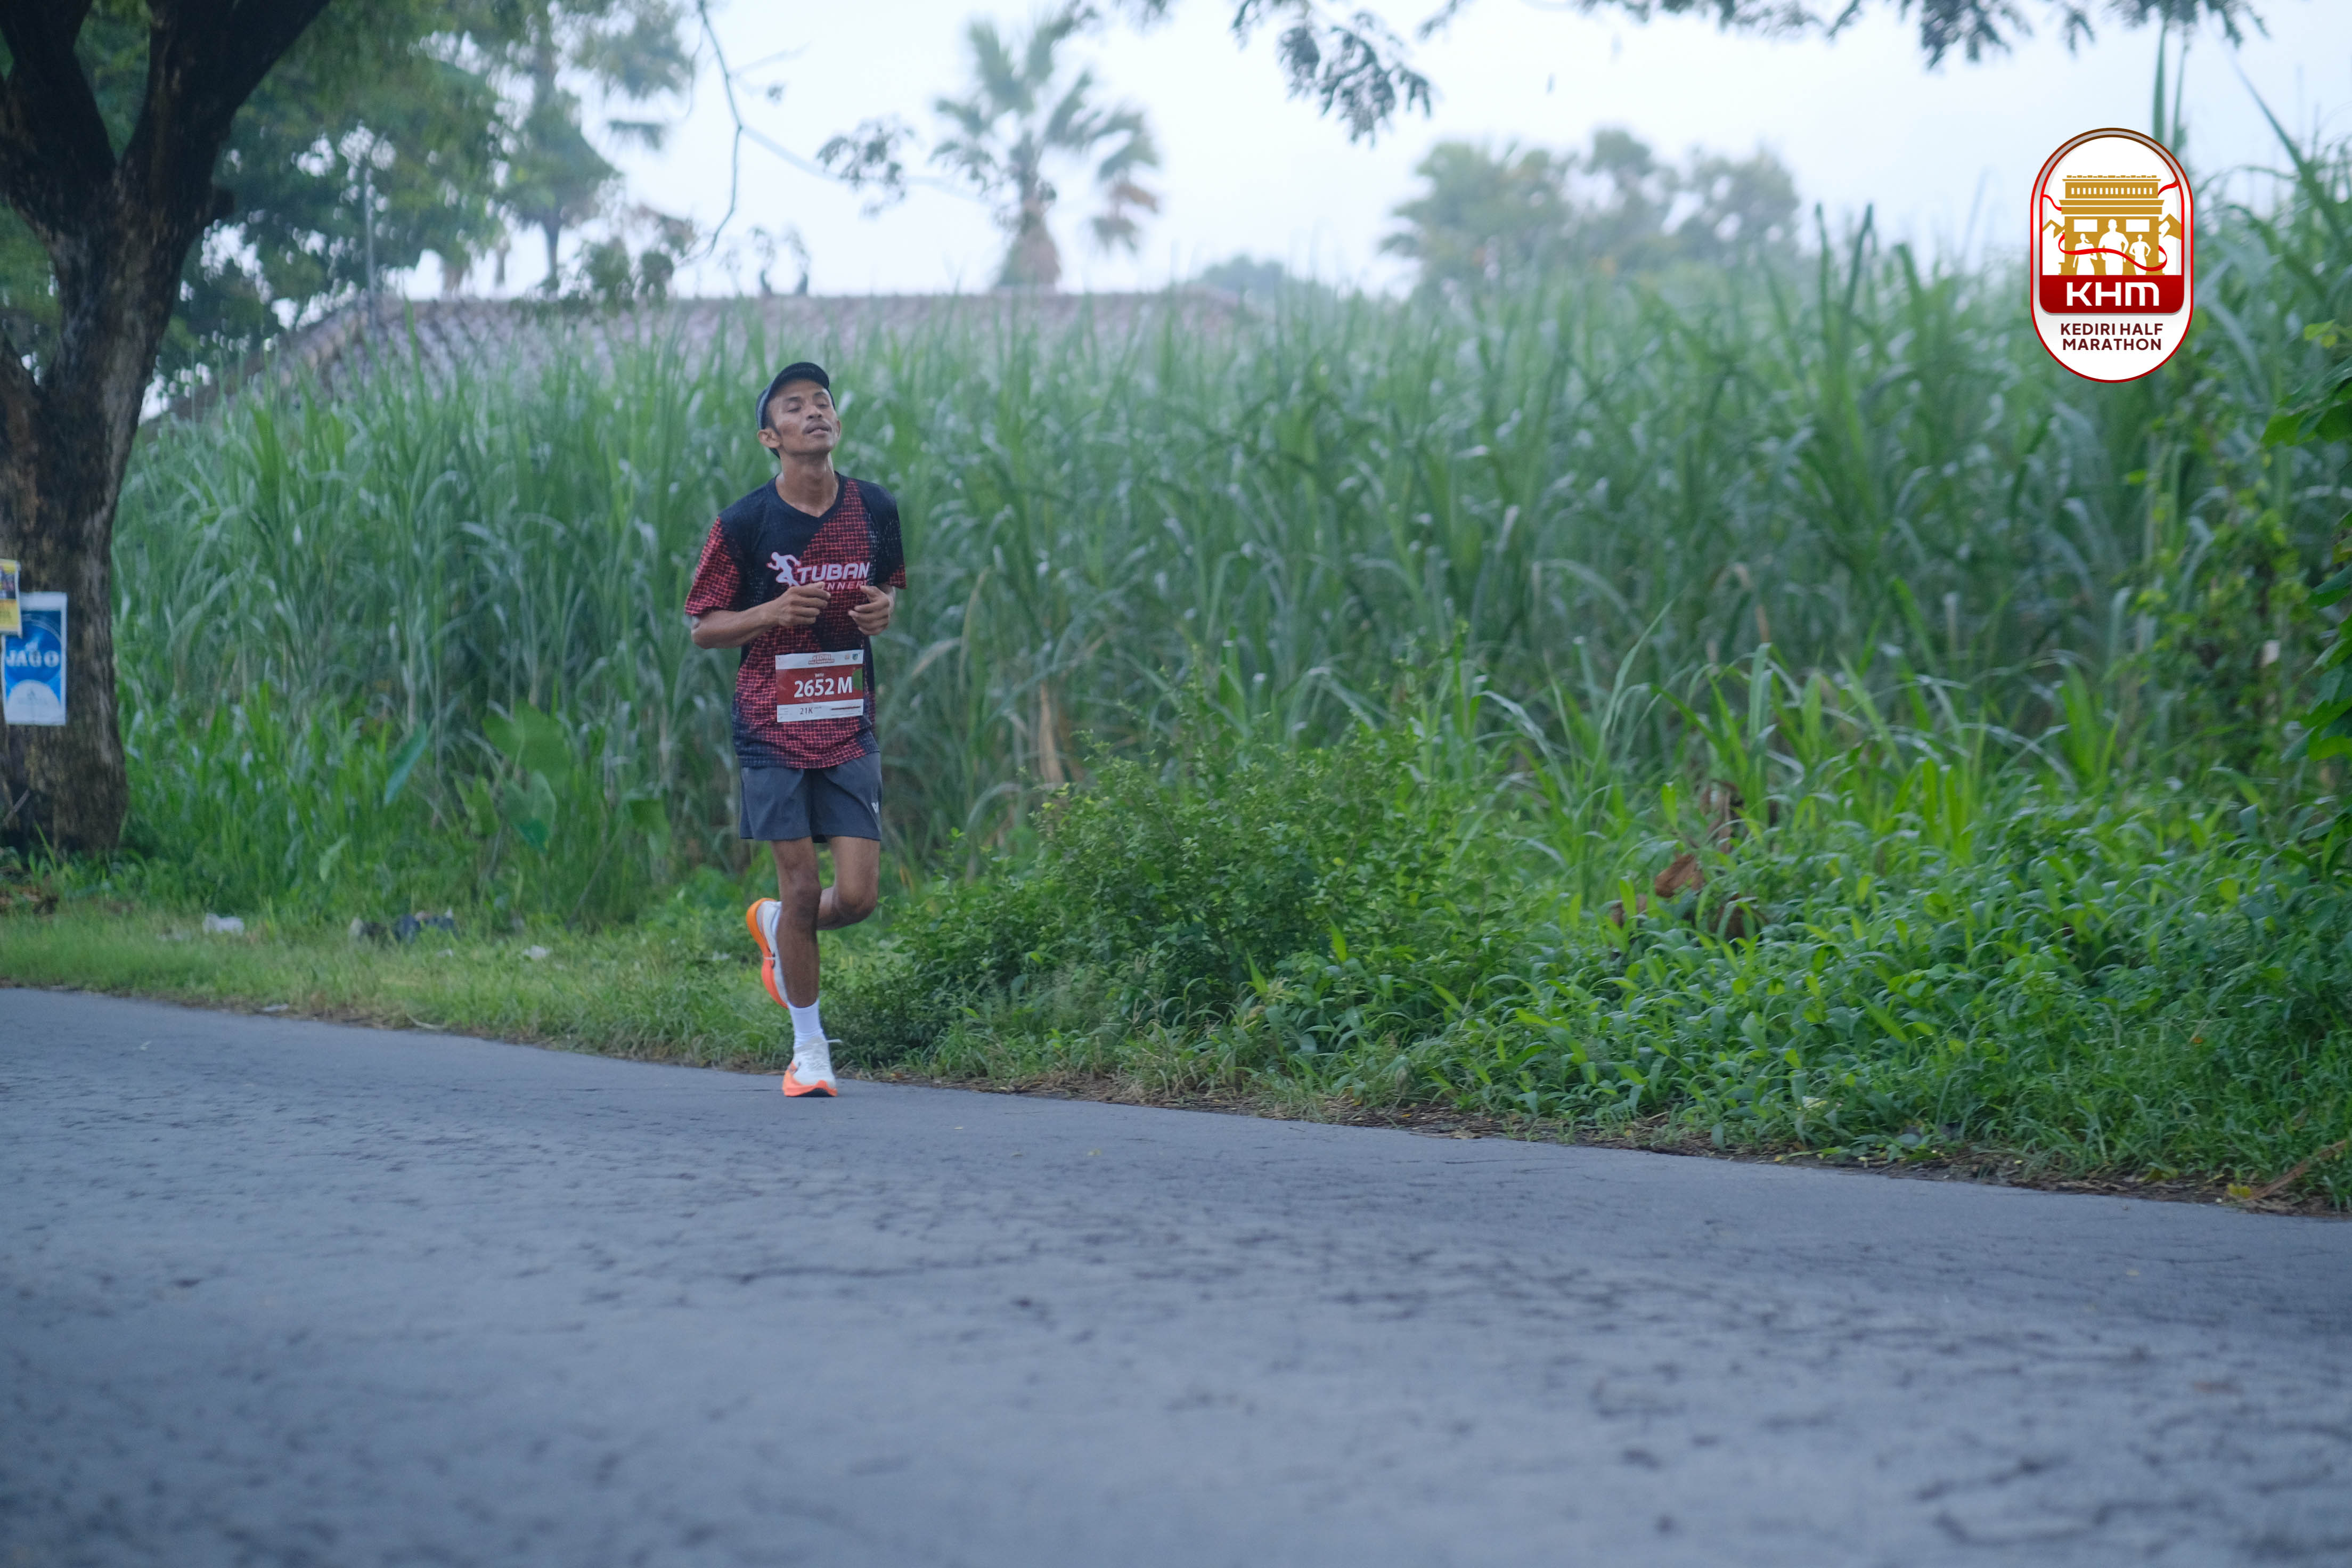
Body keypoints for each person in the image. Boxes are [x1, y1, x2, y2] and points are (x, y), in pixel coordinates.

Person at [683, 362, 906, 1097]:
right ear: (769, 438)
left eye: (822, 402)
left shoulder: (874, 507)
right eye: (793, 407)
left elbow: (885, 590)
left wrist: (883, 610)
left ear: (836, 421)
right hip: (771, 725)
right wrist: (771, 612)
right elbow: (703, 627)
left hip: (848, 720)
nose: (813, 412)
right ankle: (809, 1050)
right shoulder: (745, 523)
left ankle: (780, 925)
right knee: (805, 886)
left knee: (859, 898)